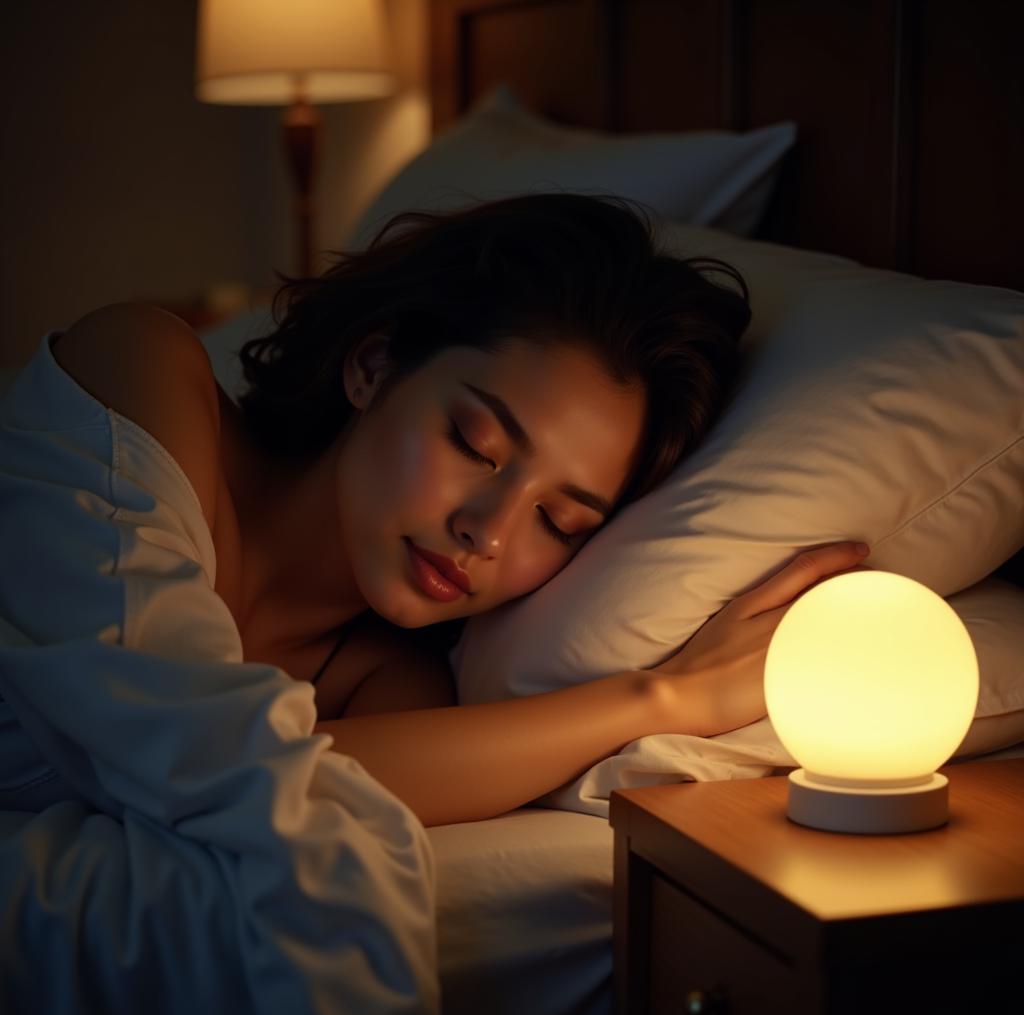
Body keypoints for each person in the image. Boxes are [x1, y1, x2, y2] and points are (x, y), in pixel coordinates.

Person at [49, 192, 869, 828]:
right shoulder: (142, 367)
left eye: (561, 522)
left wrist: (669, 698)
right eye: (477, 445)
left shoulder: (394, 686)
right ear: (374, 364)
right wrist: (660, 699)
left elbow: (293, 790)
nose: (491, 530)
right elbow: (172, 759)